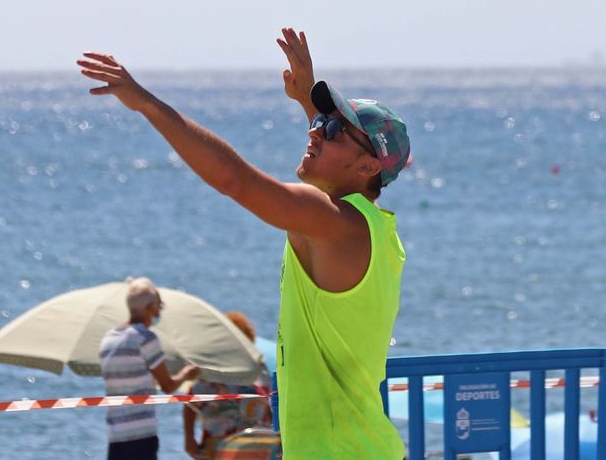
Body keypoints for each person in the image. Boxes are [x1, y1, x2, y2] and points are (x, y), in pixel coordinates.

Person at [79, 28, 411, 460]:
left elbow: (234, 179)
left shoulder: (331, 222)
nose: (314, 133)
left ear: (368, 164)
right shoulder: (377, 230)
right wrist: (310, 102)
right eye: (318, 124)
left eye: (330, 129)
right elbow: (342, 165)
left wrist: (146, 103)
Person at [99, 277, 200, 460]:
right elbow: (168, 385)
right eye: (158, 304)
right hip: (141, 434)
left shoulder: (109, 339)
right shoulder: (145, 338)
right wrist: (186, 375)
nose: (160, 309)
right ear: (149, 307)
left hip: (116, 435)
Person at [183, 310, 272, 459]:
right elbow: (190, 403)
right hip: (216, 447)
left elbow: (270, 402)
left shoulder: (258, 367)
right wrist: (189, 438)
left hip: (253, 447)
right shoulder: (211, 369)